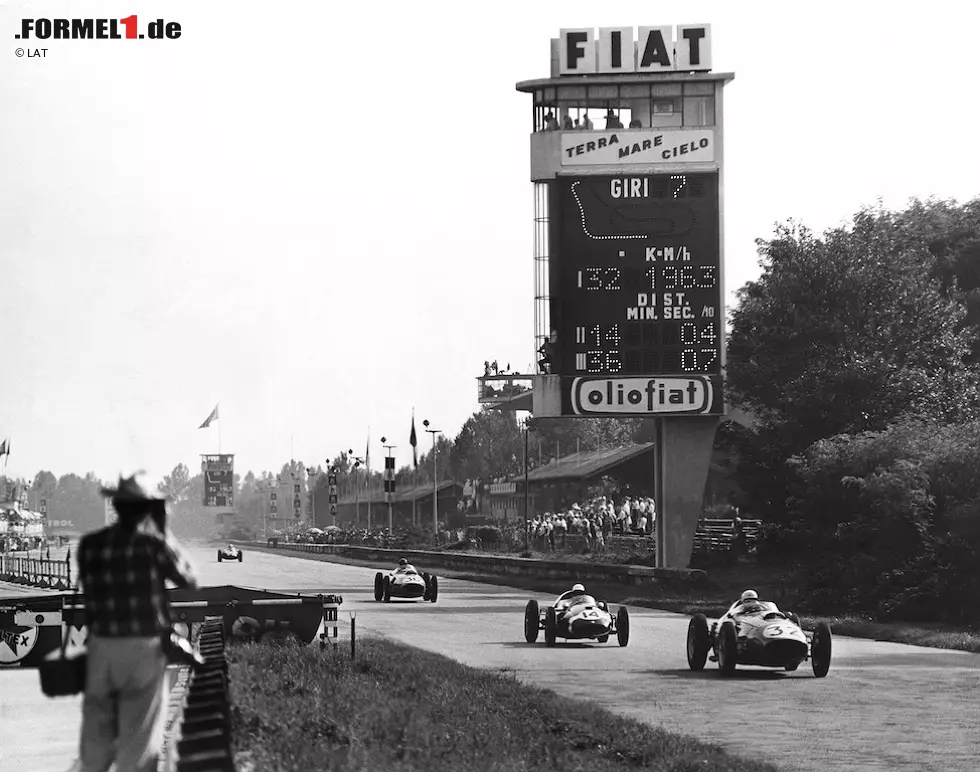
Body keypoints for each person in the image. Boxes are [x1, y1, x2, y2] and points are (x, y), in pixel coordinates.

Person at [78, 473, 198, 772]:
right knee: (138, 738)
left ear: (116, 506)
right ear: (146, 510)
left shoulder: (90, 545)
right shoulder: (152, 546)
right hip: (142, 650)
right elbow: (189, 579)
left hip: (101, 647)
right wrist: (163, 530)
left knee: (96, 737)